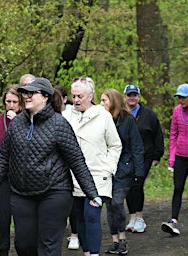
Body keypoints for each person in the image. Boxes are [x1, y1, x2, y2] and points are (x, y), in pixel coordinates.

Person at [0, 78, 102, 256]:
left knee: (48, 247)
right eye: (25, 93)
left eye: (32, 93)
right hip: (22, 194)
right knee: (24, 245)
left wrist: (91, 192)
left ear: (45, 97)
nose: (26, 96)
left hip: (54, 192)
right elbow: (4, 157)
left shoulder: (59, 124)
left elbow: (76, 160)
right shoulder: (17, 124)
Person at [62, 77, 122, 256]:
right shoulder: (66, 116)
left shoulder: (103, 116)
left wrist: (109, 167)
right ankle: (87, 252)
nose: (77, 99)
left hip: (98, 176)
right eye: (74, 96)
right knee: (79, 218)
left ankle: (94, 253)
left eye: (80, 96)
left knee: (92, 216)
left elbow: (115, 145)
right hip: (73, 177)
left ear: (90, 96)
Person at [100, 89, 144, 255]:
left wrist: (138, 171)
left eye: (104, 100)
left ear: (113, 101)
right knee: (110, 205)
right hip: (106, 169)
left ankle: (123, 238)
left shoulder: (128, 121)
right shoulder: (101, 120)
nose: (101, 104)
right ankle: (115, 240)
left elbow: (137, 146)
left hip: (124, 169)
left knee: (117, 202)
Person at [0, 84, 24, 256]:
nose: (11, 105)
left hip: (22, 178)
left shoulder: (27, 119)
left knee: (22, 218)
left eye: (15, 101)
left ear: (21, 103)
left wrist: (16, 120)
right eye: (8, 101)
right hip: (2, 177)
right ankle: (3, 252)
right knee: (2, 217)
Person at [161, 83, 188, 236]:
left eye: (183, 97)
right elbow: (173, 135)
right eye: (179, 97)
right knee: (177, 188)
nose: (180, 100)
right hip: (181, 156)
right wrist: (171, 158)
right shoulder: (177, 111)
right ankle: (173, 221)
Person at [123, 84, 164, 232]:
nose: (132, 98)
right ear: (125, 97)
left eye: (134, 95)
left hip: (145, 156)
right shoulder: (121, 114)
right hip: (126, 156)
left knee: (138, 184)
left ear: (139, 97)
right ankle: (132, 216)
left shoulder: (149, 115)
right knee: (128, 185)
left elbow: (157, 135)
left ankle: (139, 217)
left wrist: (158, 155)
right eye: (129, 95)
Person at [55, 85, 78, 250]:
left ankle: (75, 234)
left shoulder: (72, 115)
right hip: (55, 168)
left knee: (73, 200)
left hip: (70, 163)